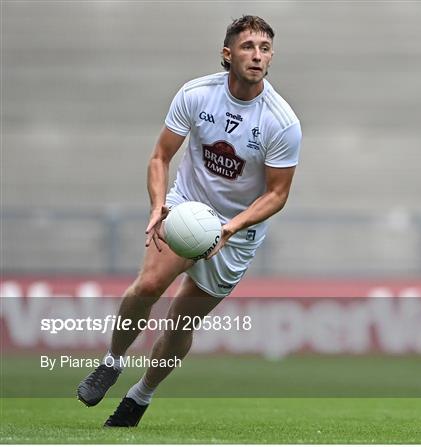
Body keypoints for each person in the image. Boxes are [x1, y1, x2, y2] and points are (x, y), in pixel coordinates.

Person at [77, 15, 302, 427]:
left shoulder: (281, 121)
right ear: (227, 53)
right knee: (147, 285)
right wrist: (157, 205)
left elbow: (277, 194)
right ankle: (111, 361)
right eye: (248, 46)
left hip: (237, 231)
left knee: (181, 321)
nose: (257, 55)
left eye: (265, 48)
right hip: (186, 206)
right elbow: (160, 156)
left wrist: (229, 228)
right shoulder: (196, 94)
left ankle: (139, 397)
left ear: (271, 58)